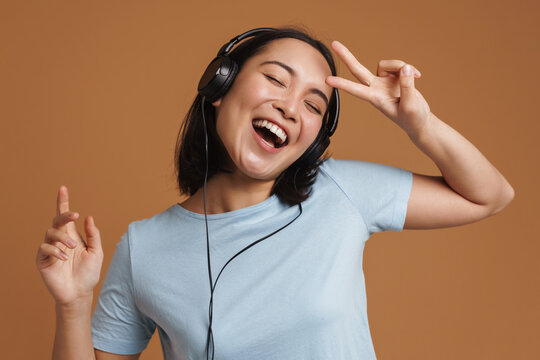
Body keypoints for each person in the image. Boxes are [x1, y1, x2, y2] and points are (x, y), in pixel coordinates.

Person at [36, 27, 514, 360]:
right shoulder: (144, 249)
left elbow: (489, 196)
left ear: (316, 138)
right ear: (220, 85)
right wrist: (73, 305)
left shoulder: (341, 191)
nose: (289, 107)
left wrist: (421, 125)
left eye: (312, 104)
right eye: (275, 79)